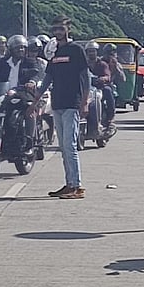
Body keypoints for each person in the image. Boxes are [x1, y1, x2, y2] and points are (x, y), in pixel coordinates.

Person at [30, 16, 90, 200]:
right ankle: (69, 183)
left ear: (68, 29)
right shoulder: (55, 52)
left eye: (61, 28)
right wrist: (35, 101)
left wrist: (85, 101)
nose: (57, 31)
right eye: (55, 28)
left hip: (73, 103)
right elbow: (48, 78)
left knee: (70, 146)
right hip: (57, 103)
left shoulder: (76, 50)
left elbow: (85, 76)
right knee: (63, 147)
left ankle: (77, 186)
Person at [0, 35, 44, 154]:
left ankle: (29, 141)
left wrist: (32, 82)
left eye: (22, 48)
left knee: (29, 111)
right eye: (17, 48)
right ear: (11, 50)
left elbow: (36, 73)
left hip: (24, 93)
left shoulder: (30, 62)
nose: (21, 50)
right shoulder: (3, 63)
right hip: (4, 94)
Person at [89, 43, 118, 138]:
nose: (91, 53)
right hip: (87, 88)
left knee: (108, 91)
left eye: (93, 51)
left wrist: (102, 79)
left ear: (97, 52)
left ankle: (110, 117)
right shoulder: (83, 64)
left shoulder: (102, 64)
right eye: (89, 51)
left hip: (100, 87)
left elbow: (107, 75)